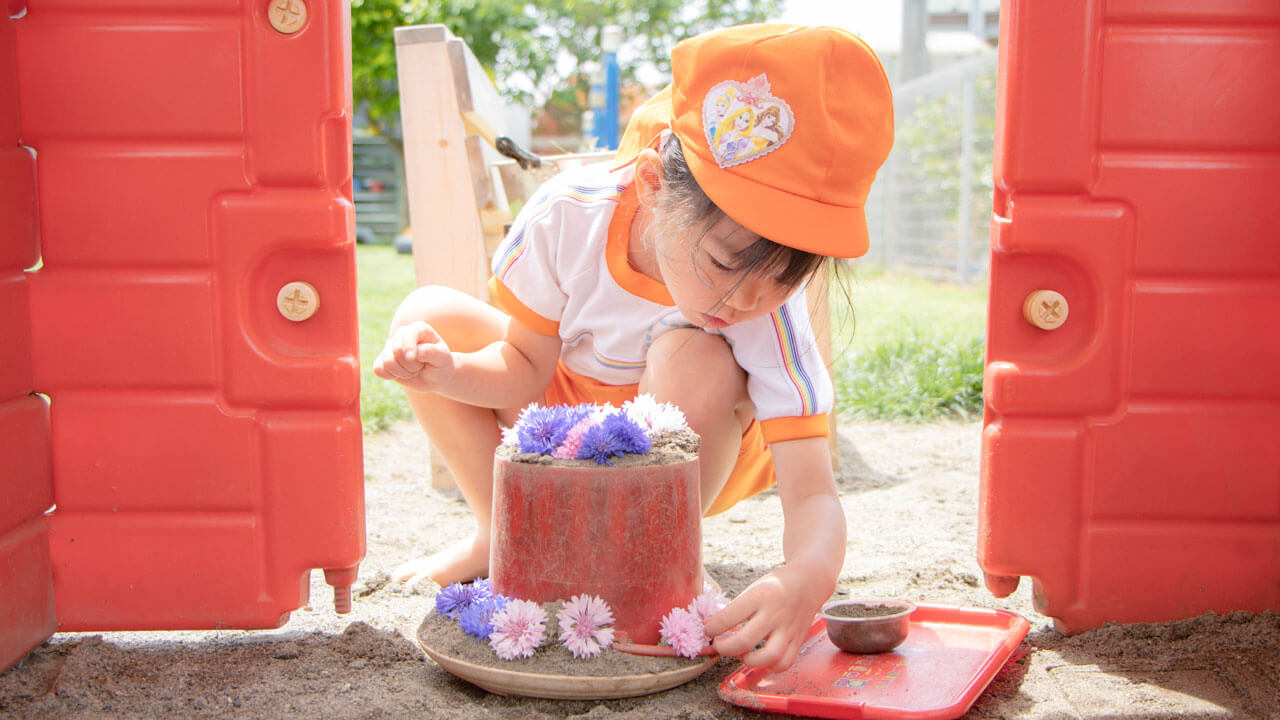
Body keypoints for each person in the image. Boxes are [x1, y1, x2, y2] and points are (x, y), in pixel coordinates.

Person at [374, 23, 894, 672]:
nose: (743, 300)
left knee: (696, 356)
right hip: (559, 426)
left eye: (785, 276)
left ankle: (650, 561)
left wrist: (805, 577)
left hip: (683, 451)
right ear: (652, 185)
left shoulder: (768, 313)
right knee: (429, 312)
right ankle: (502, 531)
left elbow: (813, 493)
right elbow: (520, 370)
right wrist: (446, 370)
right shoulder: (568, 217)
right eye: (724, 261)